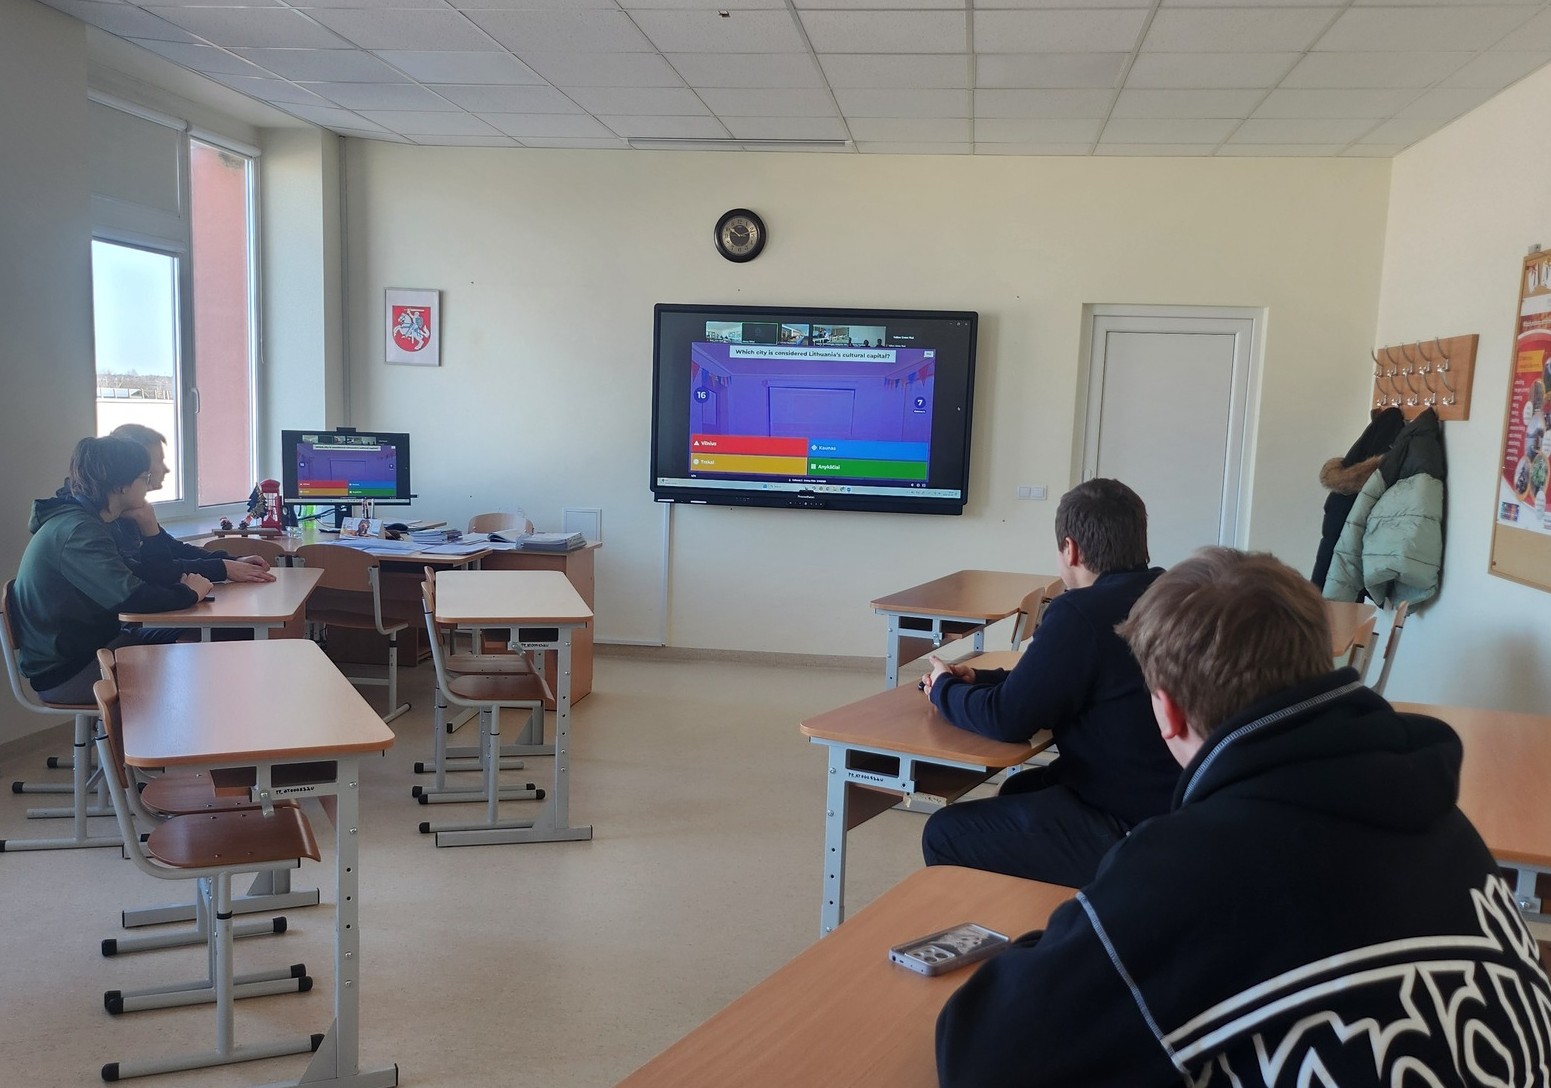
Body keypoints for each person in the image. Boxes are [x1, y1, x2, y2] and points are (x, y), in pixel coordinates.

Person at [936, 548, 1551, 1086]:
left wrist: (1074, 937)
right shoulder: (1448, 827)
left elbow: (980, 1055)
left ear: (1167, 713)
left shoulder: (1192, 868)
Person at [918, 478, 1179, 888]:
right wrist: (982, 678)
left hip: (1126, 824)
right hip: (1174, 804)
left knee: (946, 832)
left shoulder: (1081, 611)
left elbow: (1008, 720)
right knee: (1021, 788)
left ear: (1070, 549)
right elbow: (1072, 679)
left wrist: (942, 689)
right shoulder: (1170, 595)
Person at [12, 437, 213, 704]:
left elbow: (147, 577)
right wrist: (189, 593)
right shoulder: (79, 532)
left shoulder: (94, 524)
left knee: (209, 636)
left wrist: (149, 529)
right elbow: (133, 598)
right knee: (203, 666)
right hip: (72, 669)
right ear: (121, 485)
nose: (149, 485)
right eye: (144, 477)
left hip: (98, 645)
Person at [107, 423, 274, 585]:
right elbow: (158, 572)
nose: (166, 469)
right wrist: (223, 568)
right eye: (160, 461)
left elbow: (175, 550)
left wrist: (233, 561)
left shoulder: (137, 510)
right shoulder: (110, 523)